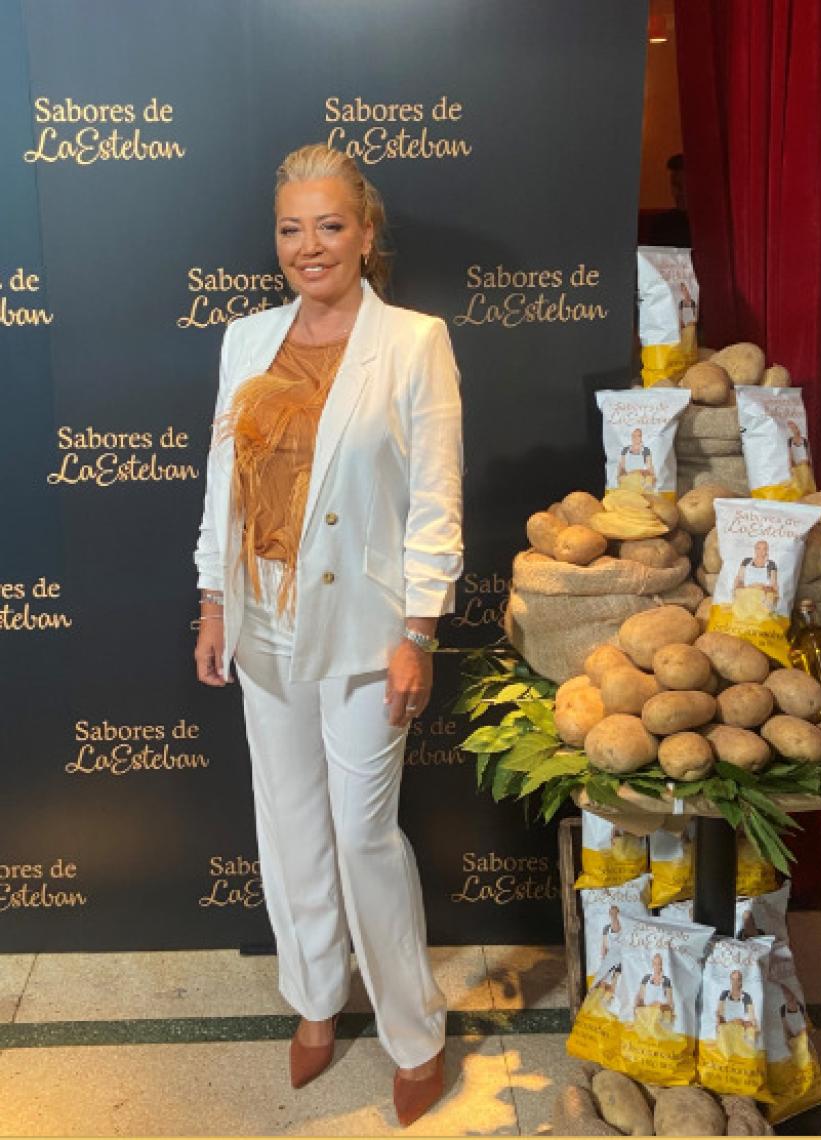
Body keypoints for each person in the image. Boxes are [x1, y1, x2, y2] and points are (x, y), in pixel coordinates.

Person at [193, 143, 463, 1125]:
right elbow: (224, 483)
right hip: (261, 616)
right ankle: (315, 997)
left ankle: (413, 1032)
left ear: (366, 232)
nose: (309, 246)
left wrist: (417, 631)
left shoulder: (415, 341)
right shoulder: (245, 339)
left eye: (330, 225)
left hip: (364, 629)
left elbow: (435, 498)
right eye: (290, 228)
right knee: (290, 825)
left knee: (362, 835)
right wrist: (213, 598)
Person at [734, 540, 779, 612]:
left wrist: (765, 589)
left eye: (764, 549)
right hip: (746, 593)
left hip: (763, 594)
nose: (761, 551)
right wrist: (739, 587)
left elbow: (773, 583)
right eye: (758, 548)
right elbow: (739, 578)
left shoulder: (771, 564)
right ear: (755, 549)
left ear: (767, 550)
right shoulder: (747, 561)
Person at [716, 970, 757, 1034]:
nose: (735, 982)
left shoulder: (746, 997)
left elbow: (752, 1019)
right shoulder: (724, 994)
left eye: (738, 979)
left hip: (740, 1030)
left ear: (741, 981)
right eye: (733, 979)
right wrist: (719, 1020)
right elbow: (719, 1014)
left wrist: (743, 1023)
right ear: (730, 981)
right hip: (726, 1030)